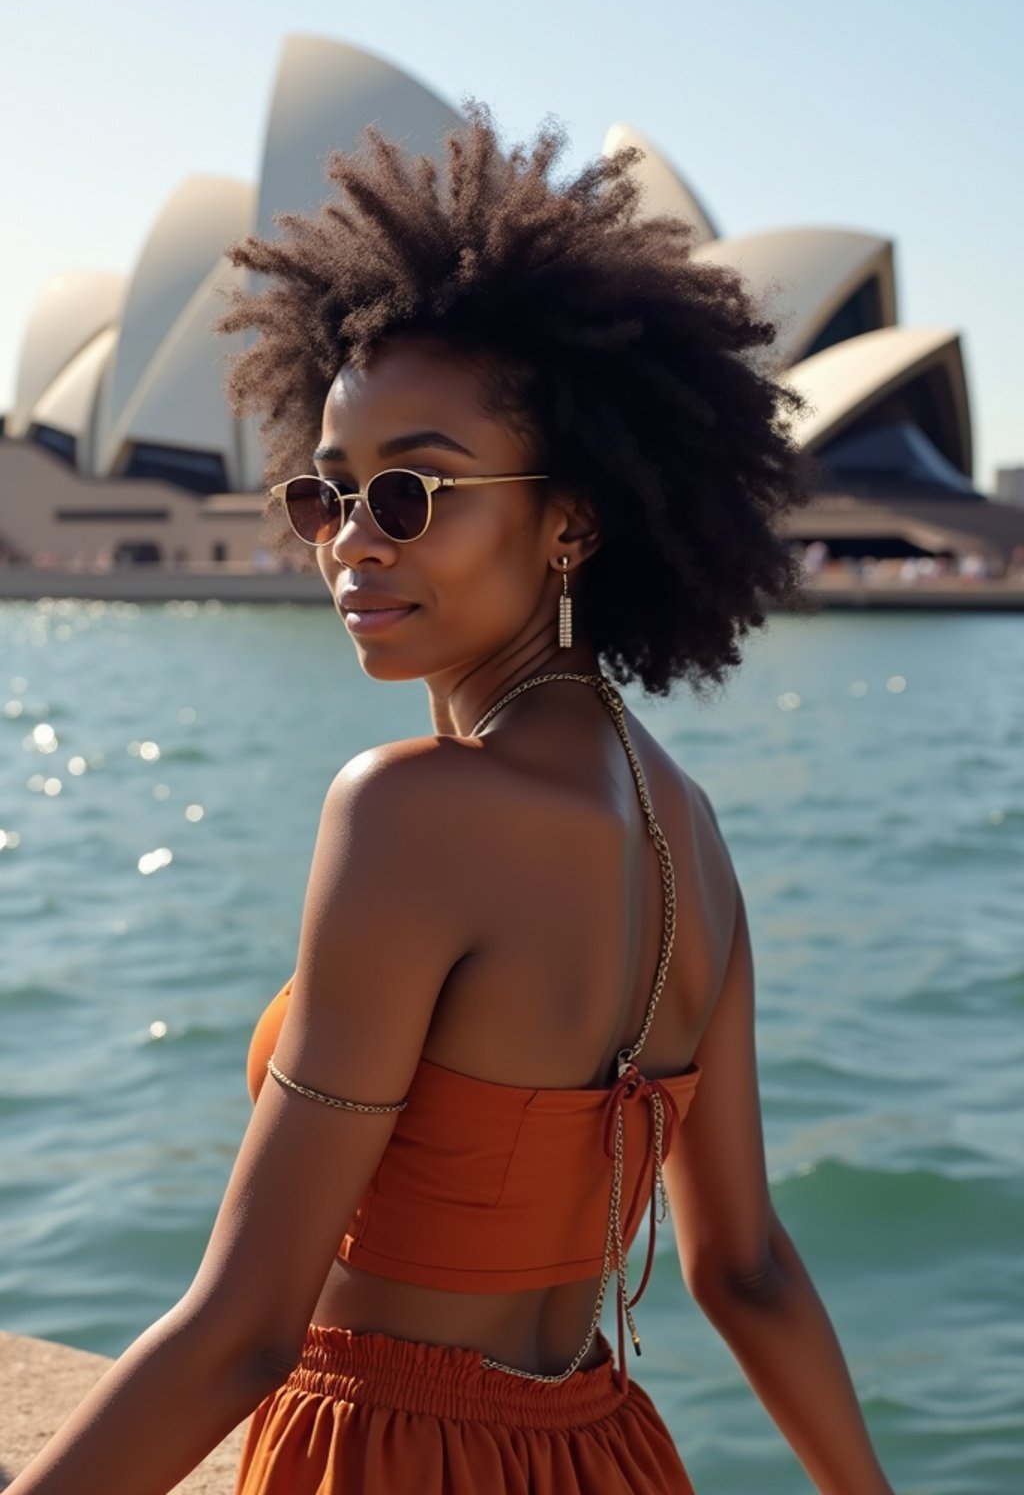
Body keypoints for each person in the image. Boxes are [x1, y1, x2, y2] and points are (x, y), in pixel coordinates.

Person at [10, 108, 895, 1495]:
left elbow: (242, 1334)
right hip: (607, 1457)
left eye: (416, 492)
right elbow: (750, 1269)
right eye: (331, 494)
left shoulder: (409, 814)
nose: (356, 543)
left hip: (380, 1456)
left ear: (572, 519)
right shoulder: (690, 832)